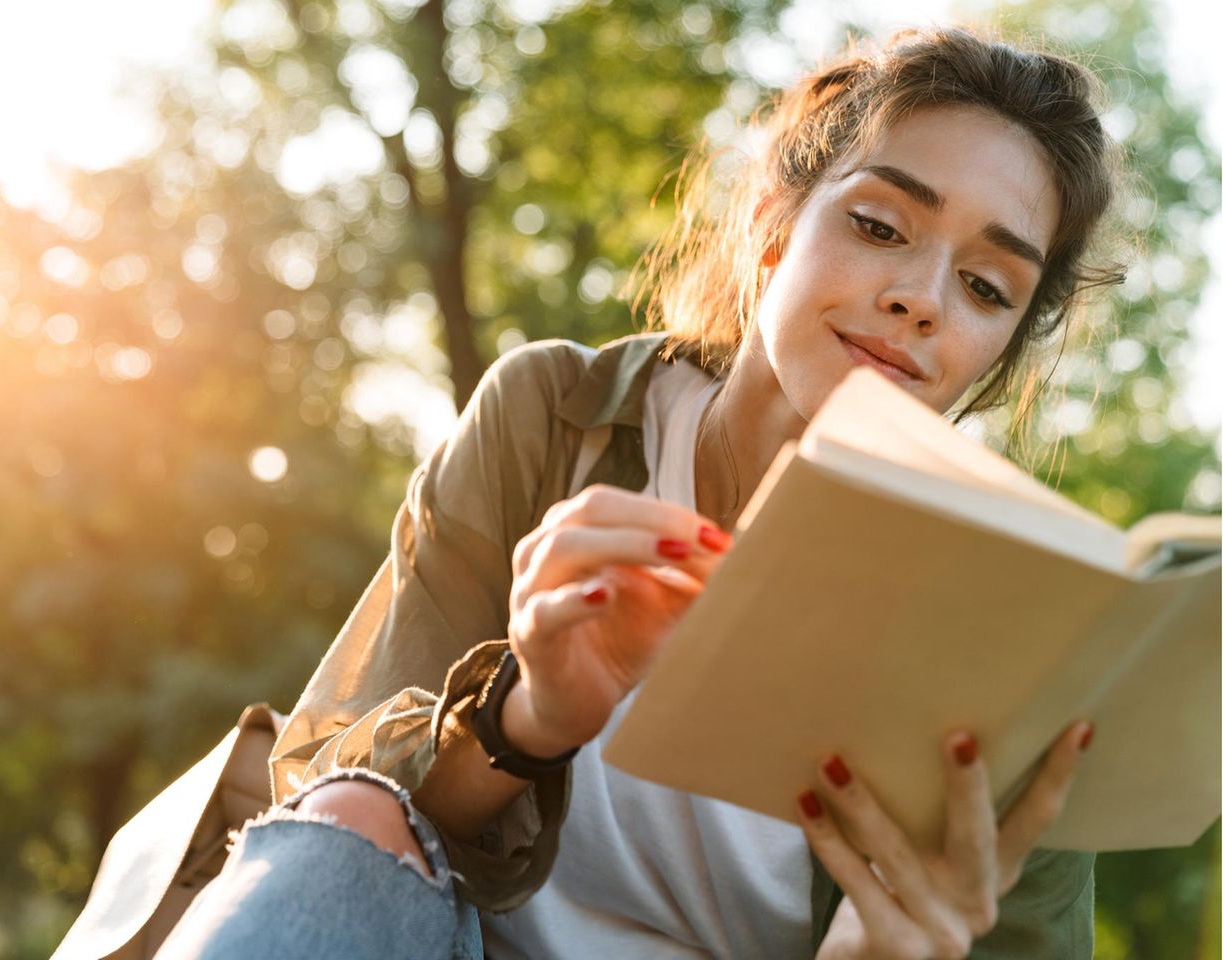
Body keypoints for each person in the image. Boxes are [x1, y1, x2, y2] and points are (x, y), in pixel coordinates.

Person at [155, 25, 1124, 960]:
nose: (923, 298)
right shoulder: (553, 419)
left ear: (1001, 349)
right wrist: (530, 719)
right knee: (356, 810)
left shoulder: (1010, 634)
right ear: (772, 223)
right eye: (879, 226)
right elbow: (326, 803)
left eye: (987, 287)